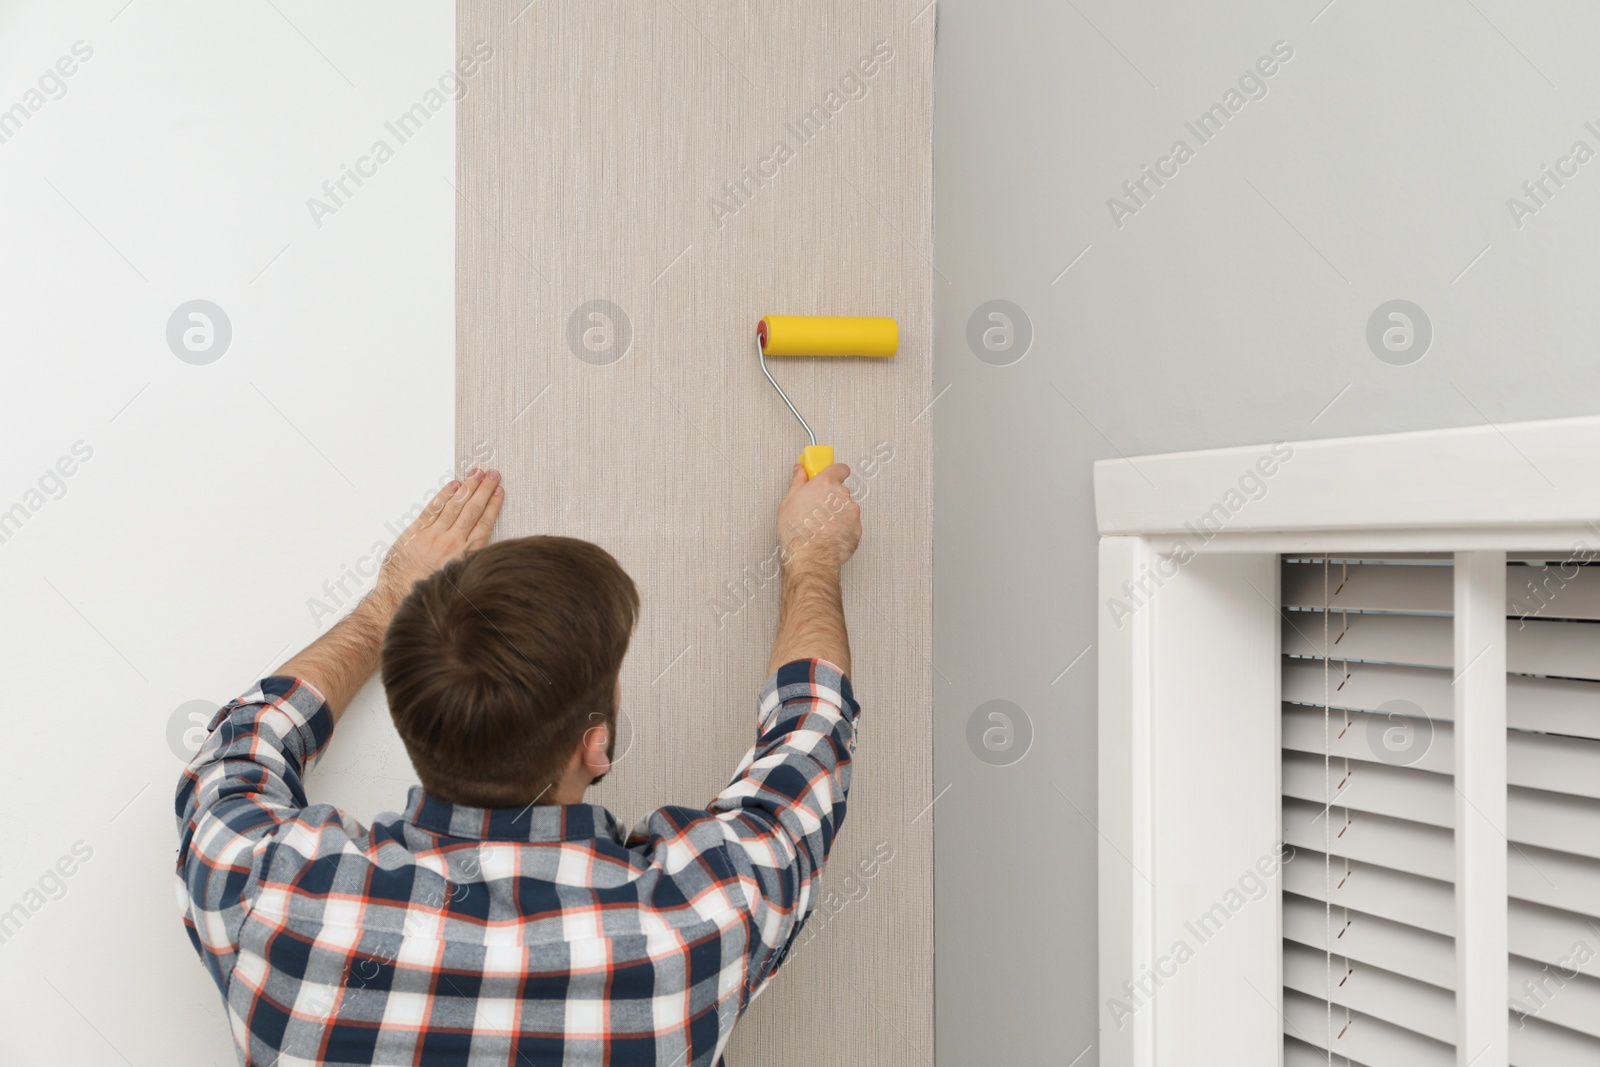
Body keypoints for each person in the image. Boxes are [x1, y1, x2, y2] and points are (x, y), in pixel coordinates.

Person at [174, 462, 863, 1066]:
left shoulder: (278, 901)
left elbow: (236, 755)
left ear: (409, 718)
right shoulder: (702, 917)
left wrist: (382, 608)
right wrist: (812, 561)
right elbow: (811, 736)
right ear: (597, 745)